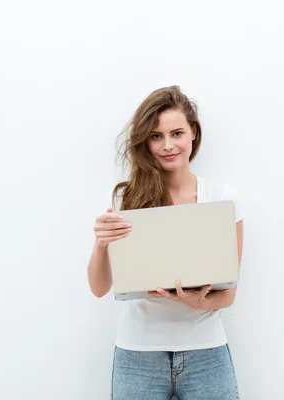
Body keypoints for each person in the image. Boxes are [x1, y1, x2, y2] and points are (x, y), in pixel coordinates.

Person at [87, 85, 245, 400]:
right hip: (138, 354)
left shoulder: (221, 199)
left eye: (176, 133)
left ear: (193, 134)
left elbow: (227, 294)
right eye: (156, 136)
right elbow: (99, 288)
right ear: (145, 142)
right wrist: (101, 244)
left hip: (206, 352)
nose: (167, 145)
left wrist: (198, 302)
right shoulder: (123, 197)